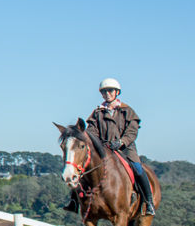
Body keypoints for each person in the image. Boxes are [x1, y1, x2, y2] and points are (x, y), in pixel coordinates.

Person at [64, 78, 156, 215]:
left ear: (116, 92)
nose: (107, 93)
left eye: (110, 91)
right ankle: (74, 201)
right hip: (105, 148)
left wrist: (121, 142)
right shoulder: (97, 112)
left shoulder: (127, 111)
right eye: (104, 92)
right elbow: (92, 131)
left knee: (138, 168)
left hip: (125, 149)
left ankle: (148, 202)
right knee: (82, 169)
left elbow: (132, 131)